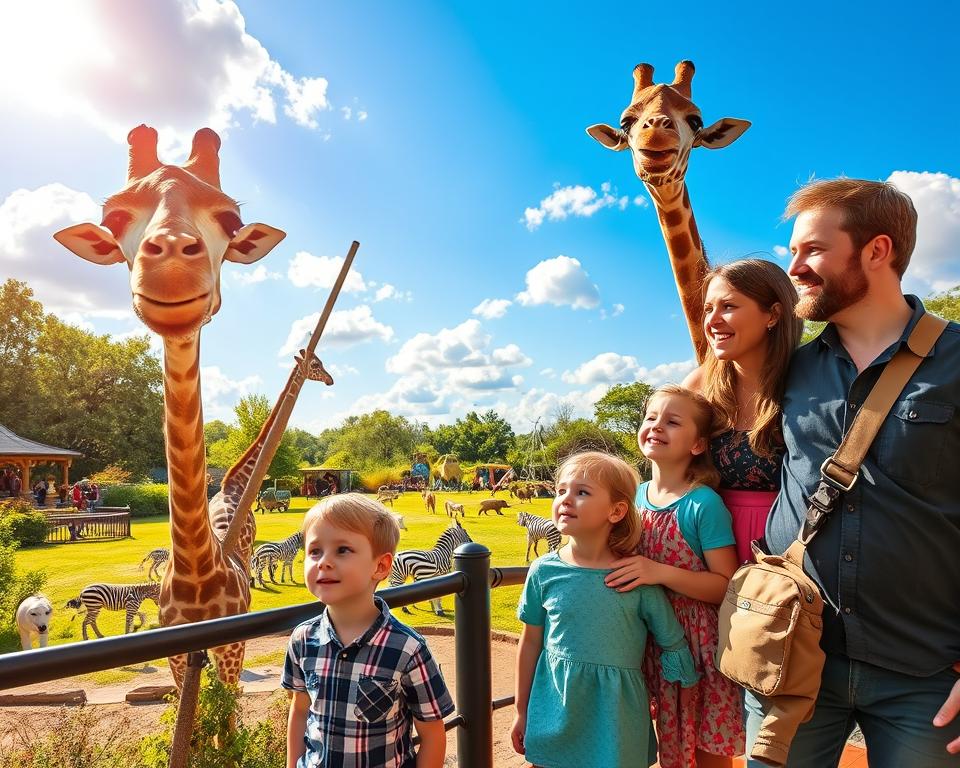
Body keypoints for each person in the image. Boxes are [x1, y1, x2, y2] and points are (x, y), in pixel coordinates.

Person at [743, 178, 960, 766]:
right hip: (790, 656)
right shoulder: (784, 368)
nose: (794, 266)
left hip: (926, 674)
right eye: (792, 251)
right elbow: (695, 391)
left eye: (811, 249)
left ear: (877, 251)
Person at [511, 450, 698, 768]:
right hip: (555, 710)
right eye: (561, 490)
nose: (566, 499)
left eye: (581, 492)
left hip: (617, 720)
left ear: (616, 511)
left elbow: (673, 642)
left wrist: (683, 696)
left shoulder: (636, 578)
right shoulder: (543, 571)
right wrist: (521, 710)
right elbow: (530, 642)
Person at [606, 385, 743, 767]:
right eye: (651, 417)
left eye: (672, 421)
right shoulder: (633, 497)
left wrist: (657, 572)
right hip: (646, 641)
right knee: (660, 745)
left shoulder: (703, 503)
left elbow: (724, 586)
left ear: (698, 444)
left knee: (705, 748)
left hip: (698, 645)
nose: (656, 426)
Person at [282, 493, 454, 768]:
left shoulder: (408, 649)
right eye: (315, 551)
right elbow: (300, 710)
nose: (323, 561)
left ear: (381, 566)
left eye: (342, 550)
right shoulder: (302, 640)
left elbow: (432, 734)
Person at [682, 260, 802, 565]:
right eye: (708, 308)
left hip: (788, 551)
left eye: (728, 306)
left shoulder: (809, 381)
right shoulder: (699, 386)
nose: (712, 320)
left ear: (773, 314)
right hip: (707, 545)